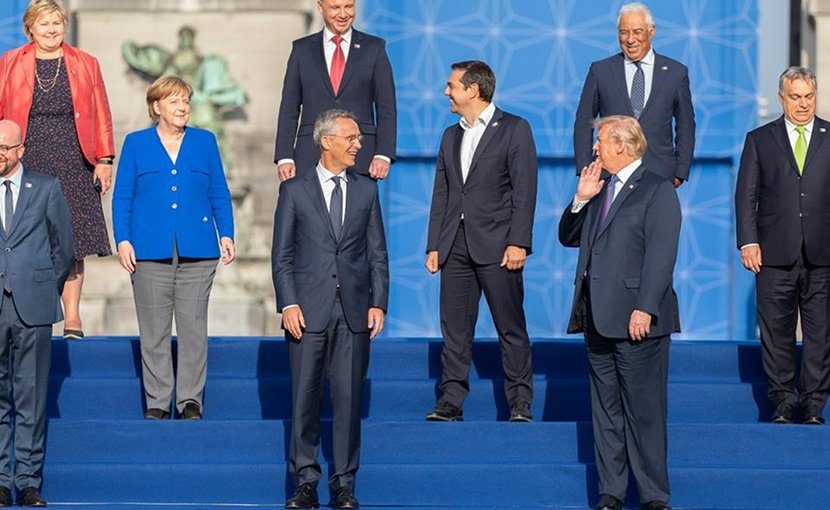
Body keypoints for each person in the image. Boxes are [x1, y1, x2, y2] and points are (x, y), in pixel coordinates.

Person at [559, 115, 680, 510]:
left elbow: (661, 257)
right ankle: (611, 492)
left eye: (600, 143)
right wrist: (581, 197)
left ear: (622, 146)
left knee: (644, 411)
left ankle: (653, 496)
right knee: (606, 411)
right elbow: (568, 237)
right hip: (597, 317)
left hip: (636, 320)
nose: (594, 149)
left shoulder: (657, 189)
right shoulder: (599, 188)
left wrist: (645, 308)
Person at [272, 109, 388, 509]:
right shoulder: (294, 191)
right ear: (326, 141)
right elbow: (282, 255)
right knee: (304, 398)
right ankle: (305, 481)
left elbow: (378, 254)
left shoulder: (367, 190)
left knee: (348, 400)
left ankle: (344, 484)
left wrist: (379, 303)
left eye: (358, 139)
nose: (358, 144)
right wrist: (287, 302)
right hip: (306, 312)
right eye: (351, 138)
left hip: (354, 313)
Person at [112, 75, 235, 421]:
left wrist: (226, 232)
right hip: (149, 250)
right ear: (156, 107)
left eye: (185, 101)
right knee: (154, 330)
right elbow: (123, 197)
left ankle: (190, 401)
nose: (182, 107)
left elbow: (219, 193)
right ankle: (157, 401)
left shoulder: (205, 141)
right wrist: (123, 239)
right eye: (174, 101)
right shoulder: (136, 144)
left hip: (198, 250)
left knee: (194, 329)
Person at [424, 60, 537, 423]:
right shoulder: (449, 135)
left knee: (510, 327)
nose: (446, 92)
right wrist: (434, 244)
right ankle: (451, 400)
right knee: (454, 329)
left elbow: (524, 190)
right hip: (454, 245)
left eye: (451, 85)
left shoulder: (515, 129)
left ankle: (519, 401)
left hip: (499, 246)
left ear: (473, 89)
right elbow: (441, 193)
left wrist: (519, 242)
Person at [0, 0, 115, 339]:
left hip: (73, 156)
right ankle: (31, 311)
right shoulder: (10, 62)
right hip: (28, 154)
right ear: (30, 28)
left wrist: (104, 160)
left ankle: (73, 317)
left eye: (56, 23)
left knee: (73, 239)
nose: (51, 29)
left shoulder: (85, 63)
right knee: (26, 236)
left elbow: (101, 111)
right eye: (44, 23)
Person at [735, 66, 829, 425]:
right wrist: (748, 241)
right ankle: (784, 401)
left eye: (808, 96)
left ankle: (814, 403)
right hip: (773, 253)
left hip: (823, 254)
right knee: (776, 331)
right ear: (781, 98)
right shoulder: (760, 139)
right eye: (795, 97)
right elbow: (746, 197)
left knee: (821, 332)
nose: (803, 104)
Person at [0, 119, 74, 507]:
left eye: (6, 148)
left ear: (21, 150)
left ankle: (28, 481)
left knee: (30, 397)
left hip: (33, 306)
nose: (0, 154)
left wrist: (42, 284)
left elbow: (63, 248)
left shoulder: (46, 188)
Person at [573, 2, 695, 187]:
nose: (630, 39)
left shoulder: (675, 73)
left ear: (651, 31)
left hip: (660, 175)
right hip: (610, 176)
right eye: (624, 32)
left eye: (637, 32)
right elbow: (584, 122)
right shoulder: (601, 71)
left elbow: (685, 125)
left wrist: (679, 172)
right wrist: (586, 169)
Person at [274, 0, 396, 181]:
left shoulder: (374, 49)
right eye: (335, 7)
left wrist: (383, 154)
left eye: (348, 7)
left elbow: (387, 107)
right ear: (320, 6)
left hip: (360, 159)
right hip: (310, 156)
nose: (343, 14)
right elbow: (289, 108)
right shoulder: (302, 49)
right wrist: (285, 156)